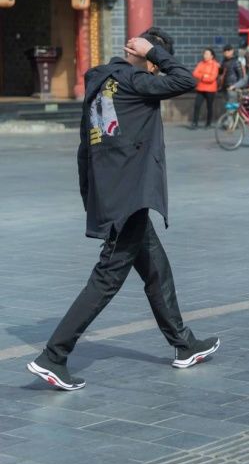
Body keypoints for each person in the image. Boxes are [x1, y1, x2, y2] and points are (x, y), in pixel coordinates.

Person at [27, 28, 220, 391]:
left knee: (156, 270)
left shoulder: (100, 81)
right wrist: (153, 53)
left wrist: (91, 194)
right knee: (107, 277)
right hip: (128, 196)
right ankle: (53, 356)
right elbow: (185, 80)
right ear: (147, 57)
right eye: (154, 59)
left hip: (116, 192)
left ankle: (184, 343)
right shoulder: (136, 81)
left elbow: (87, 145)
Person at [190, 47, 219, 129]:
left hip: (210, 89)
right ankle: (195, 123)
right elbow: (195, 73)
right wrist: (204, 76)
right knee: (197, 105)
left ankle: (208, 123)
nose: (205, 55)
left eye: (207, 54)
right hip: (200, 88)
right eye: (204, 54)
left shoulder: (214, 64)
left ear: (212, 56)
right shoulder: (201, 63)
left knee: (209, 106)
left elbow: (212, 78)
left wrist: (202, 76)